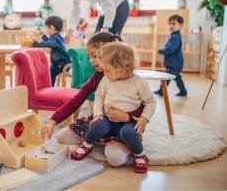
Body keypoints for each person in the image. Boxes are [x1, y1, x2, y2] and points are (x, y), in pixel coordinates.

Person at [41, 32, 144, 167]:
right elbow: (76, 100)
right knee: (59, 139)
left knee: (115, 159)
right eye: (90, 56)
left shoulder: (130, 78)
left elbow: (144, 106)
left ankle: (128, 144)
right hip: (101, 122)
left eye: (95, 56)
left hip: (124, 126)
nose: (91, 60)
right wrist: (52, 121)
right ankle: (92, 140)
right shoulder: (96, 77)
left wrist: (127, 117)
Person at [70, 42, 156, 174]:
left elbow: (150, 102)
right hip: (108, 119)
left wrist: (144, 118)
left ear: (122, 68)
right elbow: (99, 96)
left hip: (129, 122)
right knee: (96, 125)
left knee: (128, 133)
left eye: (108, 70)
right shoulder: (107, 79)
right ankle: (87, 145)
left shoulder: (139, 83)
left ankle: (140, 154)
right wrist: (98, 114)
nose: (104, 73)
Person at [32, 15, 71, 86]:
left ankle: (49, 87)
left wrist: (35, 44)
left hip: (62, 64)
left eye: (47, 28)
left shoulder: (55, 38)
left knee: (49, 72)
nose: (46, 30)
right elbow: (49, 42)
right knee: (48, 70)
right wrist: (44, 36)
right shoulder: (57, 37)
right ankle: (48, 86)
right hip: (61, 63)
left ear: (52, 27)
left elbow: (48, 43)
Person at [154, 14, 187, 97]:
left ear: (181, 25)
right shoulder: (175, 36)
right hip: (176, 63)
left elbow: (171, 49)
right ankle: (183, 91)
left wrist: (161, 51)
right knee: (177, 77)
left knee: (166, 77)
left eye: (174, 23)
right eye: (169, 24)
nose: (171, 26)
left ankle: (162, 91)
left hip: (174, 63)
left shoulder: (175, 37)